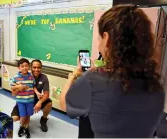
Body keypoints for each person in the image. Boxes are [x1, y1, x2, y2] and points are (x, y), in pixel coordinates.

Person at [60, 4, 165, 138]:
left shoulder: (93, 80)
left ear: (107, 38)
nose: (99, 46)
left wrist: (74, 75)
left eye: (99, 39)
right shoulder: (156, 84)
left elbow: (64, 104)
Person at [11, 59, 52, 133]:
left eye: (38, 67)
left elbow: (46, 94)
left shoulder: (43, 77)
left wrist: (39, 102)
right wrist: (19, 88)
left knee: (49, 103)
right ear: (31, 67)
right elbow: (13, 94)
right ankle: (22, 125)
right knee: (15, 118)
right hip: (23, 100)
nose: (36, 69)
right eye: (34, 67)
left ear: (41, 68)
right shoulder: (22, 76)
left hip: (33, 100)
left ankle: (43, 120)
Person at [10, 58, 38, 138]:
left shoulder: (31, 77)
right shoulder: (16, 77)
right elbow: (12, 87)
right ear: (19, 68)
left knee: (28, 115)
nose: (24, 68)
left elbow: (34, 86)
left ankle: (26, 128)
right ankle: (22, 127)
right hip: (21, 101)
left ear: (28, 67)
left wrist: (37, 93)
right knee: (23, 115)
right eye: (22, 66)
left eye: (26, 66)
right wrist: (19, 86)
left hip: (30, 100)